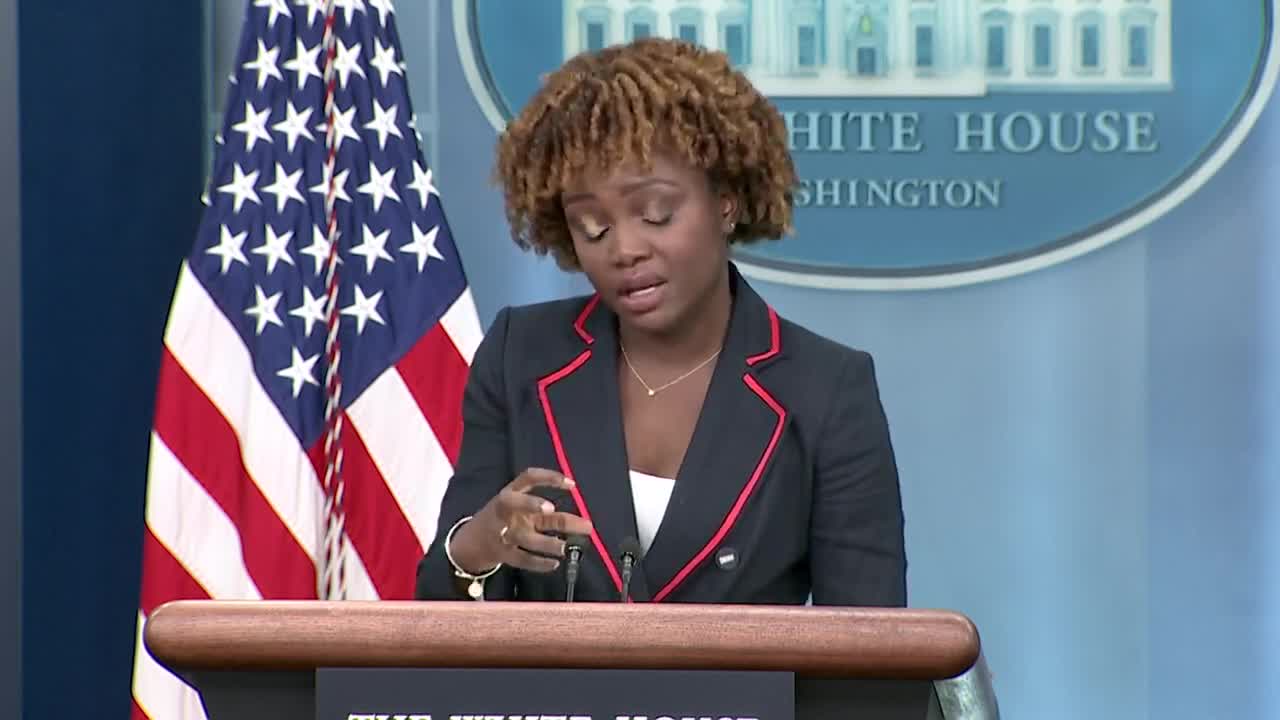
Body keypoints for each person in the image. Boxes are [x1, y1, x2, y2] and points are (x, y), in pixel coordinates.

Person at [414, 37, 906, 605]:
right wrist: (476, 547)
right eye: (592, 227)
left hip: (745, 699)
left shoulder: (827, 389)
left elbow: (870, 649)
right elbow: (439, 617)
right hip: (546, 699)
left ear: (727, 200)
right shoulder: (518, 354)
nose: (624, 249)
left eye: (656, 214)